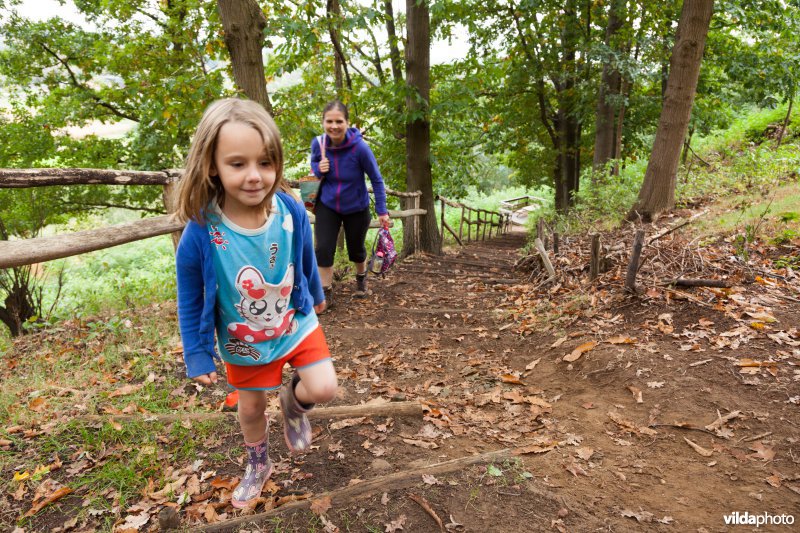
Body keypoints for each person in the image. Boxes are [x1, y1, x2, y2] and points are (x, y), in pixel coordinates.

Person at [173, 98, 338, 509]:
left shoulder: (289, 208)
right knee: (250, 409)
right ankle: (258, 463)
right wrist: (197, 352)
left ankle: (294, 403)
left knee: (324, 387)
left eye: (265, 162)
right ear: (212, 165)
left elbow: (303, 256)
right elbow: (189, 296)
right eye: (237, 163)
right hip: (244, 338)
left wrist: (315, 295)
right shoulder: (202, 230)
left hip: (294, 321)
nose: (254, 175)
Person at [309, 100, 390, 307]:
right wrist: (319, 168)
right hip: (328, 204)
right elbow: (314, 168)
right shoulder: (318, 144)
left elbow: (376, 179)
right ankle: (325, 294)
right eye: (329, 121)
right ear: (323, 122)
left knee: (356, 249)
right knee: (323, 249)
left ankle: (361, 279)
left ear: (347, 122)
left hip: (356, 206)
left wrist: (382, 210)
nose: (334, 126)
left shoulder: (360, 148)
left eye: (339, 121)